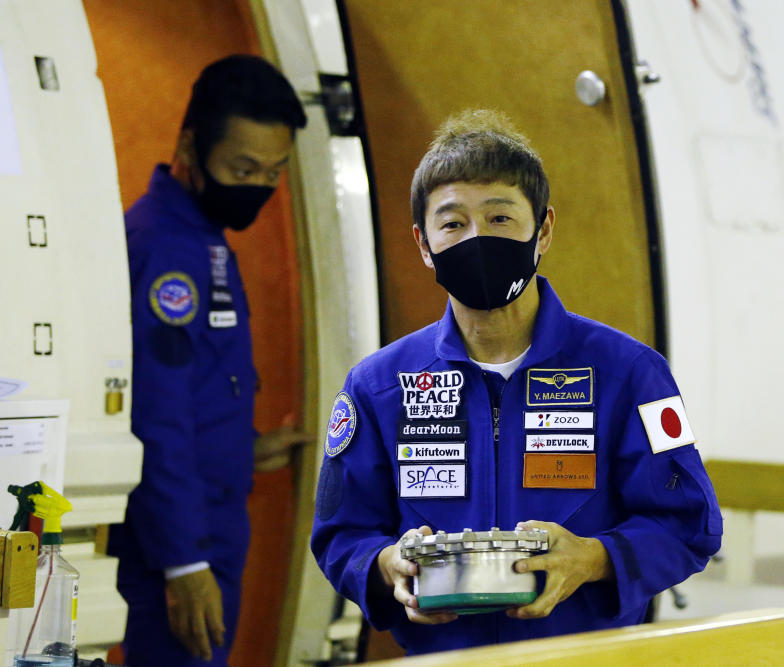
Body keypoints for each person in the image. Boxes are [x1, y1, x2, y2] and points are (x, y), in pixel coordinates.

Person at [311, 109, 723, 655]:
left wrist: (592, 558)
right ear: (423, 243)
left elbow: (689, 524)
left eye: (501, 219)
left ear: (543, 229)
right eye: (453, 223)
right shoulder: (378, 387)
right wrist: (388, 564)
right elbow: (341, 534)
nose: (477, 238)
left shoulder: (629, 374)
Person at [110, 55, 311, 666]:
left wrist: (243, 447)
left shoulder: (202, 237)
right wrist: (185, 563)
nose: (257, 186)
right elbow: (154, 412)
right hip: (176, 537)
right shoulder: (168, 249)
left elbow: (192, 384)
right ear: (190, 147)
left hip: (208, 517)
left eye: (273, 172)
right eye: (242, 168)